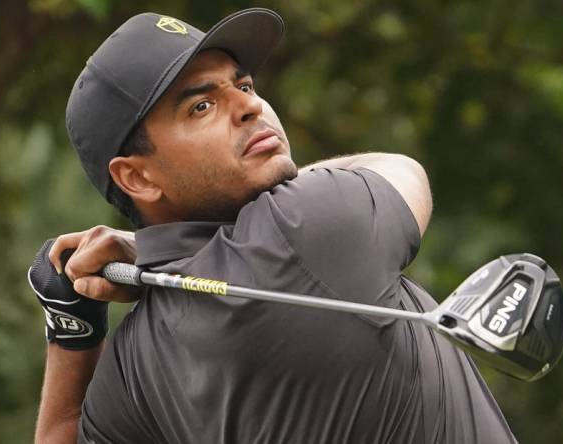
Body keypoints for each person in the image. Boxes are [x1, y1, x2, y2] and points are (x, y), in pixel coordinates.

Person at [27, 8, 518, 444]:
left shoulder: (135, 361)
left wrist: (72, 323)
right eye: (202, 106)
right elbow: (402, 168)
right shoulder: (308, 226)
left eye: (242, 85)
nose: (250, 106)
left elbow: (60, 435)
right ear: (137, 176)